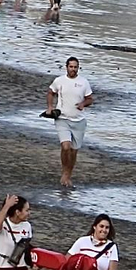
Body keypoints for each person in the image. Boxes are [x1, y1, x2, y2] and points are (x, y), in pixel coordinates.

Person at [48, 56, 94, 190]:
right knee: (65, 146)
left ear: (78, 68)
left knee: (73, 151)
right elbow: (50, 92)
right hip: (62, 118)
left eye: (75, 67)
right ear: (66, 67)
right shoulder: (59, 81)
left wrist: (83, 104)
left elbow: (90, 99)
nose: (73, 69)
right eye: (71, 67)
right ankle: (64, 172)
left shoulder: (84, 82)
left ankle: (68, 174)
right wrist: (50, 107)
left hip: (79, 121)